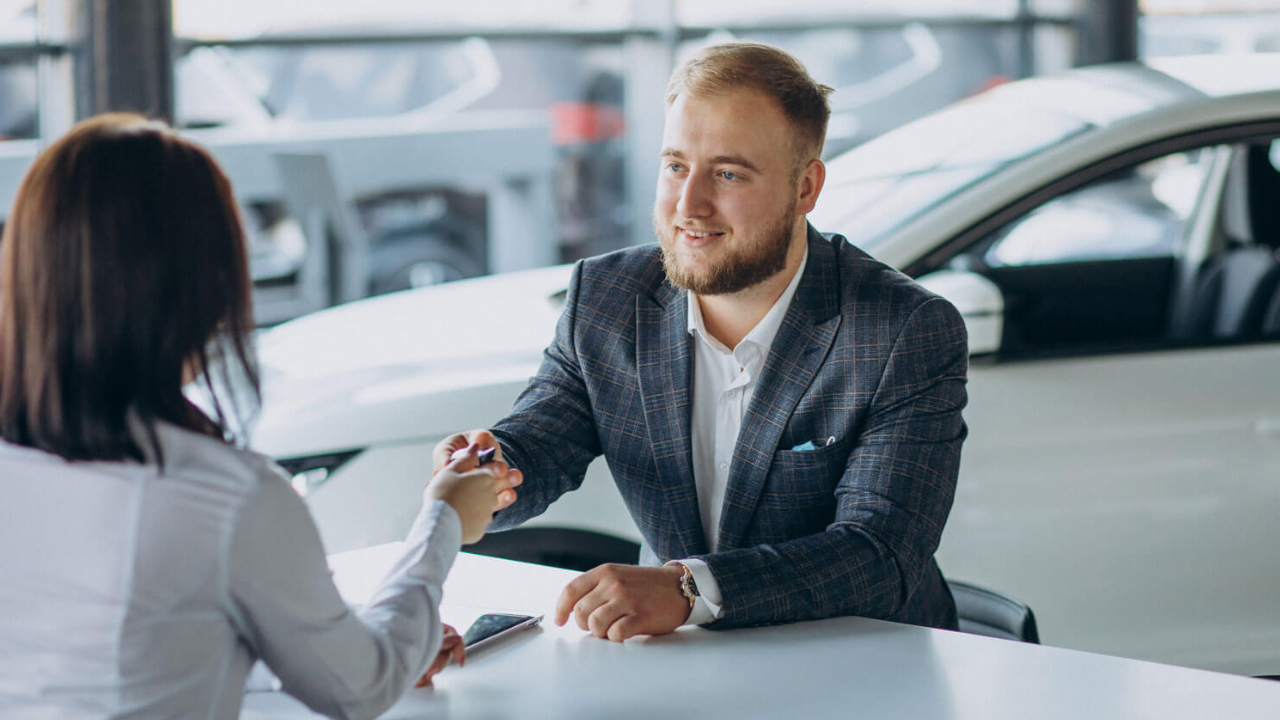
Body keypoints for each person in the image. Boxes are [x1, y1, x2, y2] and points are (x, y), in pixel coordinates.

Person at [434, 42, 968, 642]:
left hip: (865, 665)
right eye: (675, 166)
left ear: (805, 189)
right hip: (686, 662)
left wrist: (689, 589)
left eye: (728, 173)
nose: (689, 205)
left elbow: (880, 555)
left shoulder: (904, 330)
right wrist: (493, 469)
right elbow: (542, 441)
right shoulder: (607, 297)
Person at [0, 114, 521, 719]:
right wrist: (444, 521)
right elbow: (360, 686)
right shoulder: (226, 497)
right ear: (201, 284)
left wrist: (378, 637)